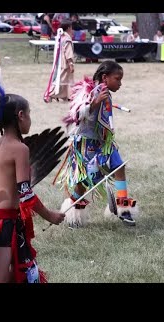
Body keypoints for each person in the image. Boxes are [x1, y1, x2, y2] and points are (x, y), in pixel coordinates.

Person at [0, 87, 65, 283]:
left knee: (8, 275)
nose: (30, 119)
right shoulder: (20, 149)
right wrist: (50, 216)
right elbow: (25, 193)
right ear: (20, 116)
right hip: (4, 226)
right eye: (29, 114)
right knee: (3, 278)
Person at [56, 61, 139, 227]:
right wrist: (94, 103)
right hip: (86, 144)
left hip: (104, 143)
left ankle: (124, 209)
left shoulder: (107, 93)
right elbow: (76, 114)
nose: (120, 83)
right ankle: (74, 215)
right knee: (83, 182)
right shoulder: (87, 91)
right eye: (117, 79)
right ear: (105, 77)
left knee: (119, 167)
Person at [45, 20, 75, 102]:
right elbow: (68, 53)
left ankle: (66, 96)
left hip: (60, 62)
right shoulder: (67, 39)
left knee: (65, 80)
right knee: (62, 80)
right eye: (71, 28)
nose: (72, 29)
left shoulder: (61, 37)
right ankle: (51, 94)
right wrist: (71, 64)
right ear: (68, 28)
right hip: (65, 63)